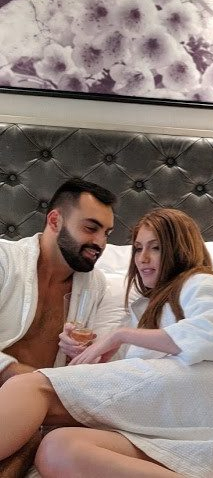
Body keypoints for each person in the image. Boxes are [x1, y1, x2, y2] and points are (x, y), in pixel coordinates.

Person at [0, 208, 213, 478]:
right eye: (138, 248)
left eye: (156, 248)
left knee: (32, 386)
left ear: (180, 249)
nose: (143, 259)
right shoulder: (143, 308)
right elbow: (128, 382)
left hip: (206, 398)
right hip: (194, 430)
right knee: (58, 449)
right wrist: (93, 356)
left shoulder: (199, 281)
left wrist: (120, 335)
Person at [0, 178, 125, 477]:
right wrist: (28, 382)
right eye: (91, 228)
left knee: (37, 438)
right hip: (33, 396)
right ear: (55, 220)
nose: (100, 244)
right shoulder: (5, 262)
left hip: (40, 410)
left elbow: (90, 373)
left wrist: (82, 354)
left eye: (107, 234)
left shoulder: (95, 286)